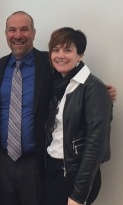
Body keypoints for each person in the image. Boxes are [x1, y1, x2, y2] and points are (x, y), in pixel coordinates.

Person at [0, 11, 117, 205]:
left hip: (36, 161)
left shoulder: (48, 64)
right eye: (12, 30)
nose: (18, 35)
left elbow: (78, 89)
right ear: (5, 33)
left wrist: (101, 95)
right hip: (5, 160)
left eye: (24, 29)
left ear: (33, 33)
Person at [44, 27, 112, 205]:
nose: (60, 55)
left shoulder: (93, 88)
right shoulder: (57, 83)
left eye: (68, 50)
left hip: (73, 175)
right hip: (53, 169)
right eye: (56, 49)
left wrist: (79, 195)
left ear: (80, 55)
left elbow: (96, 145)